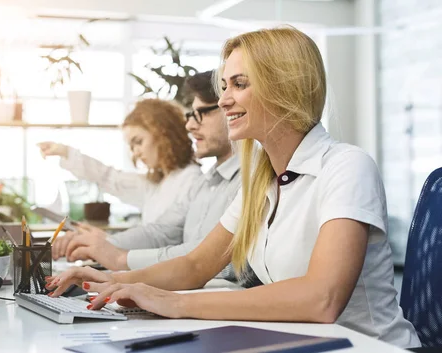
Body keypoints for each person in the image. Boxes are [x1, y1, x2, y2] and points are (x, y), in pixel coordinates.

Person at [45, 27, 421, 348]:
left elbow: (321, 298)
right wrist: (110, 279)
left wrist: (174, 303)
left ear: (283, 87)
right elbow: (196, 265)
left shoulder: (346, 167)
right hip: (304, 344)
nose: (223, 100)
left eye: (239, 84)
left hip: (370, 347)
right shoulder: (261, 181)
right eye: (225, 86)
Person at [52, 72, 241, 277]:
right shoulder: (204, 183)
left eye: (201, 113)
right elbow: (161, 232)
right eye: (190, 116)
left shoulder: (201, 179)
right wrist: (106, 245)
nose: (190, 126)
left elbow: (206, 259)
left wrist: (117, 256)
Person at [38, 98, 201, 224]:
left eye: (138, 141)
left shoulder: (190, 180)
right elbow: (109, 177)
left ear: (163, 133)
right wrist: (65, 152)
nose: (136, 152)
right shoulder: (157, 183)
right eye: (132, 146)